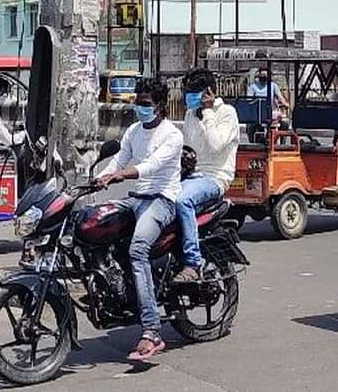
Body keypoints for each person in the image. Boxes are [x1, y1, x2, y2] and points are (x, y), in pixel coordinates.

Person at [96, 77, 184, 362]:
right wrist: (99, 177)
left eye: (145, 104)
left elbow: (151, 166)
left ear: (159, 106)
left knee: (137, 250)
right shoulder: (134, 130)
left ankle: (151, 330)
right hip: (136, 197)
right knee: (97, 227)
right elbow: (119, 161)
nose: (140, 108)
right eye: (138, 102)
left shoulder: (172, 135)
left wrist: (121, 175)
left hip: (161, 200)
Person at [174, 68, 239, 283]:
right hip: (191, 176)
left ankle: (192, 262)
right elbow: (187, 148)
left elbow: (216, 144)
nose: (189, 96)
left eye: (194, 92)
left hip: (214, 178)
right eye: (188, 91)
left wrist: (209, 112)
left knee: (183, 201)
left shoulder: (226, 113)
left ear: (208, 92)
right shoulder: (190, 114)